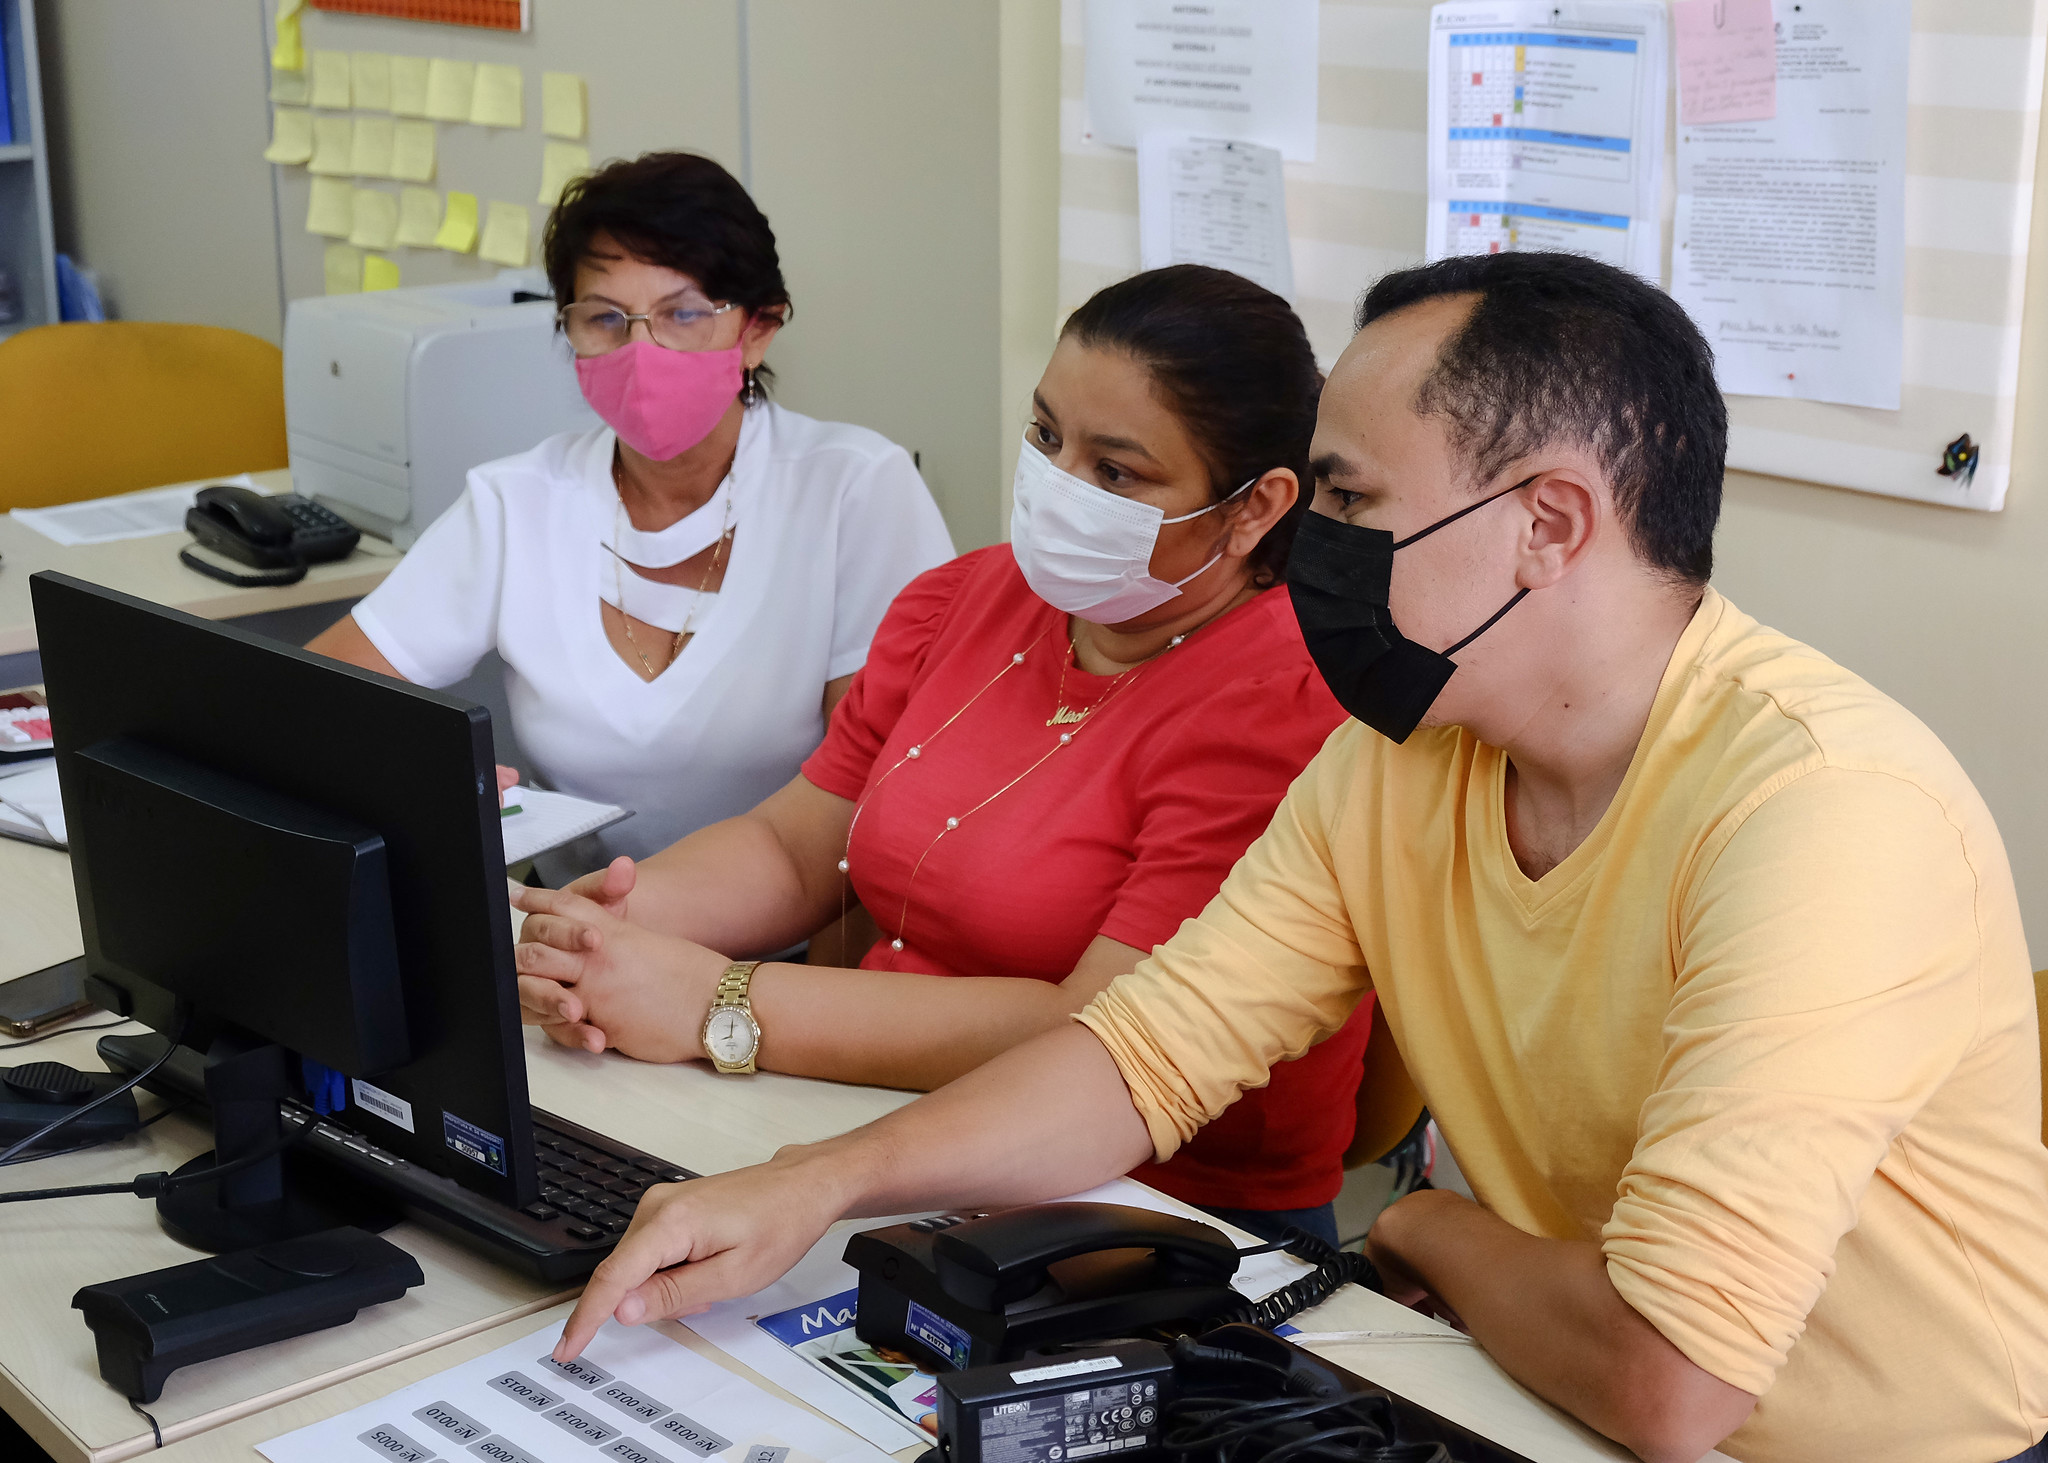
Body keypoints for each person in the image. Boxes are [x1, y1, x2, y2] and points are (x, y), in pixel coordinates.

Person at [542, 252, 2048, 1463]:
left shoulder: (1823, 814)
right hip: (1535, 1396)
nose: (1310, 542)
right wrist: (817, 1187)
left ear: (1547, 525)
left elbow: (1670, 1378)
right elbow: (1143, 1053)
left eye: (1348, 501)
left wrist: (1421, 1223)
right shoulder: (1405, 749)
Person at [508, 265, 1371, 1242]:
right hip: (873, 1131)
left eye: (1116, 471)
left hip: (1160, 1213)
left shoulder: (1285, 707)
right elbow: (797, 847)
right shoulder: (966, 598)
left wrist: (721, 1004)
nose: (1057, 483)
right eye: (1045, 435)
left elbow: (1105, 1036)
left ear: (1255, 506)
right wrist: (590, 935)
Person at [308, 152, 955, 869]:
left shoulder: (855, 491)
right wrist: (425, 783)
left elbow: (877, 800)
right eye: (606, 318)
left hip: (777, 954)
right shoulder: (517, 501)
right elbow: (315, 700)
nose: (641, 350)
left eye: (682, 314)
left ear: (759, 330)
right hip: (569, 938)